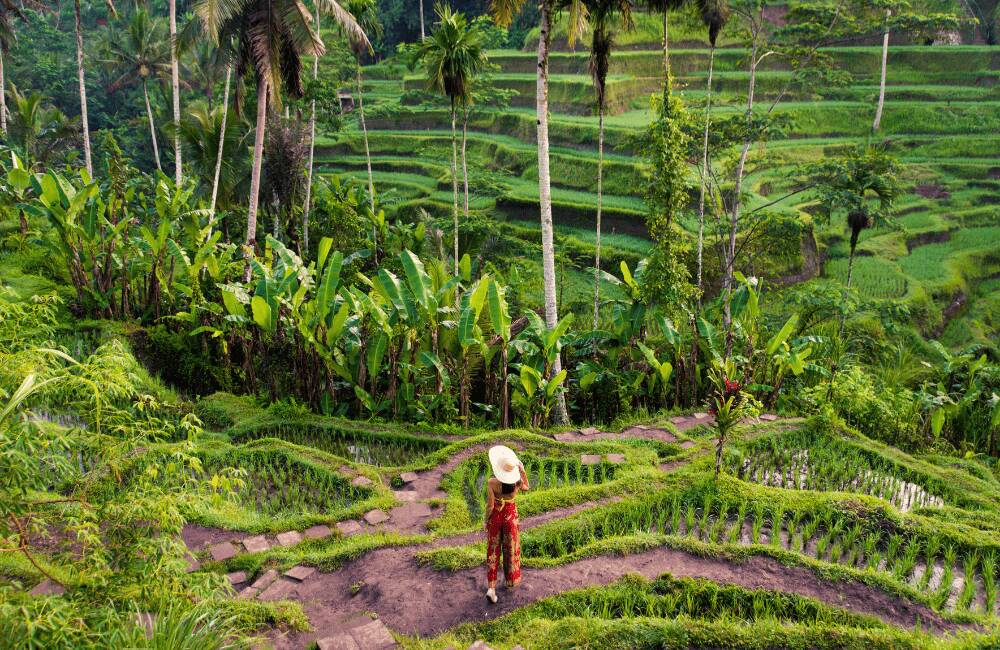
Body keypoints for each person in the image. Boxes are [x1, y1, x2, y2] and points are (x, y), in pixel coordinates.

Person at [484, 445, 529, 603]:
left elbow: (490, 506)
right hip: (511, 518)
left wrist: (486, 520)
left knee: (493, 550)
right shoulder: (516, 482)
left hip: (496, 516)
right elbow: (526, 487)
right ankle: (511, 581)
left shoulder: (491, 482)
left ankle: (491, 588)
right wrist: (522, 471)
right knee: (511, 549)